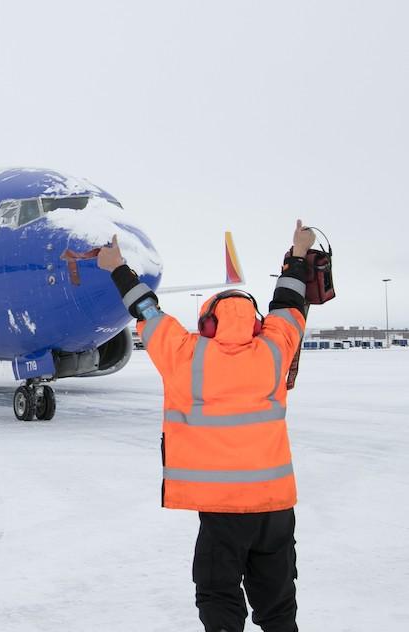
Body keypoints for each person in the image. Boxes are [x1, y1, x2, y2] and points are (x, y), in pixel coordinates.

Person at [96, 221, 315, 632]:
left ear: (208, 324)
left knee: (218, 594)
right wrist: (299, 253)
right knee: (279, 600)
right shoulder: (274, 349)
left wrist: (117, 266)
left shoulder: (184, 354)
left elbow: (145, 309)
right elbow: (288, 303)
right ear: (255, 323)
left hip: (223, 509)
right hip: (275, 505)